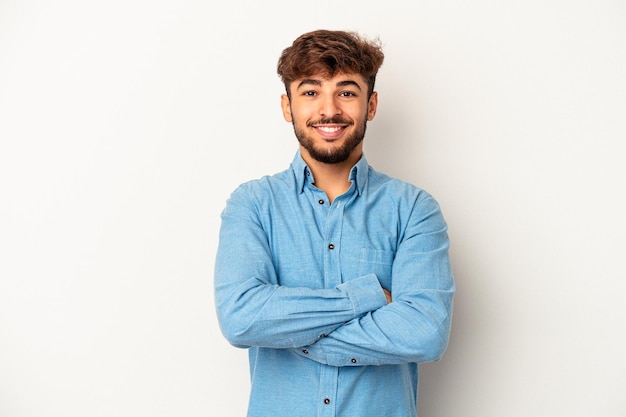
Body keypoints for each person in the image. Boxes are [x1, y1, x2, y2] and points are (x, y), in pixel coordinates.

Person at [214, 29, 455, 417]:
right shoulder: (252, 205)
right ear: (287, 106)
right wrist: (367, 297)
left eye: (346, 92)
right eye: (310, 92)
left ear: (370, 104)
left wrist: (290, 332)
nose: (329, 110)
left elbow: (424, 333)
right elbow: (241, 318)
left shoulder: (414, 210)